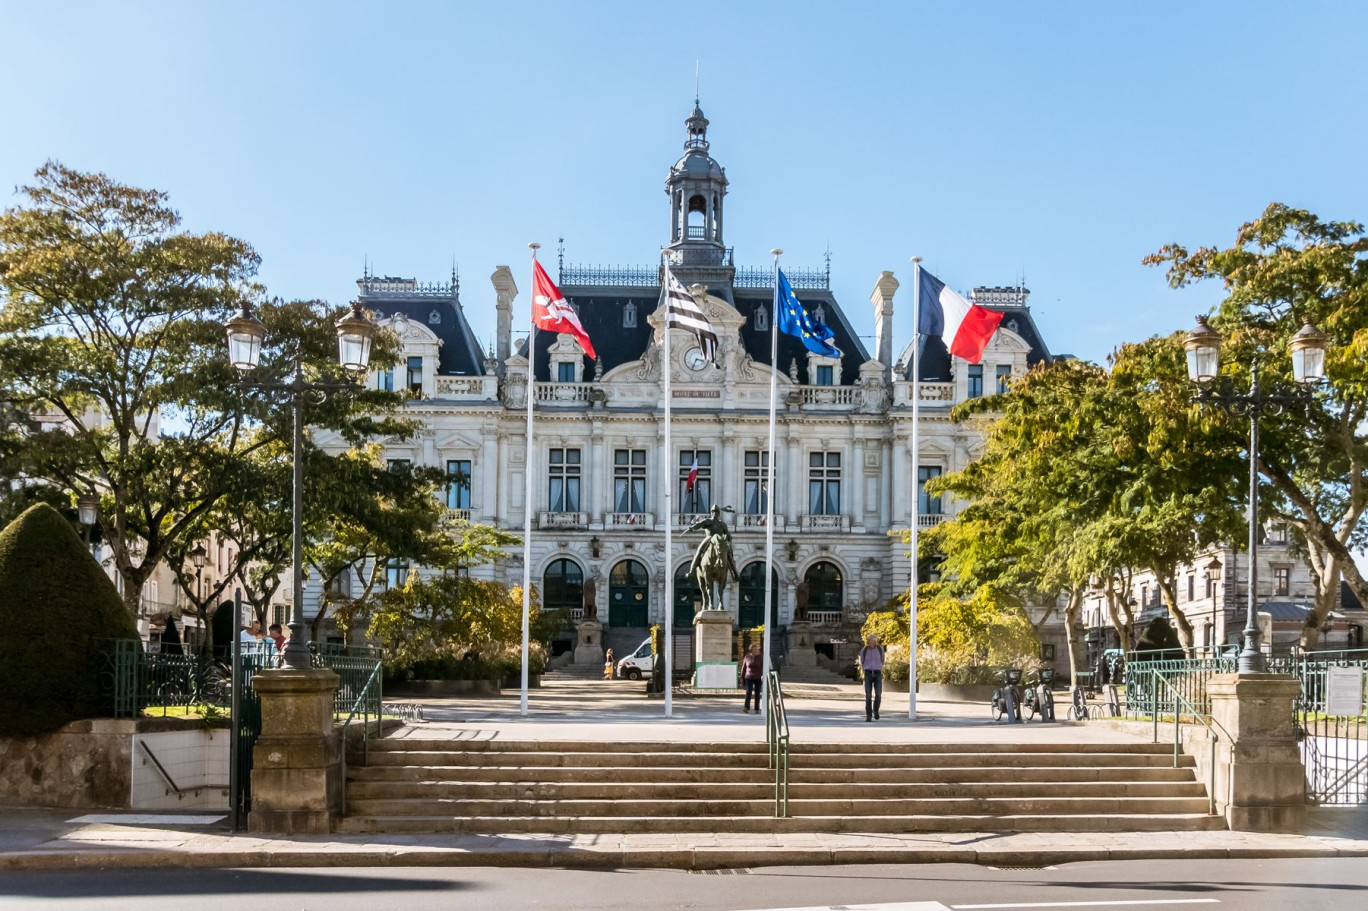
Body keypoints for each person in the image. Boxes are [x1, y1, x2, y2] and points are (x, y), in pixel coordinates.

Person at [859, 634, 887, 722]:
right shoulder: (865, 650)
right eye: (868, 640)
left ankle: (876, 710)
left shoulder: (879, 649)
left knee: (878, 694)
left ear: (875, 641)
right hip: (868, 673)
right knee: (868, 695)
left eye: (871, 640)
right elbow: (861, 661)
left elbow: (883, 660)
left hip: (877, 672)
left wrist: (879, 667)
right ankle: (868, 715)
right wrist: (864, 669)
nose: (869, 642)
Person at [740, 643, 764, 714]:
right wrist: (741, 677)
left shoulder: (761, 657)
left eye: (757, 649)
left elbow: (763, 667)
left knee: (757, 693)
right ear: (751, 650)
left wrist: (763, 675)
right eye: (754, 649)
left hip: (758, 677)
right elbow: (744, 667)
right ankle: (746, 707)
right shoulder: (747, 656)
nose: (756, 650)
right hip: (749, 677)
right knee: (748, 692)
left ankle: (757, 708)